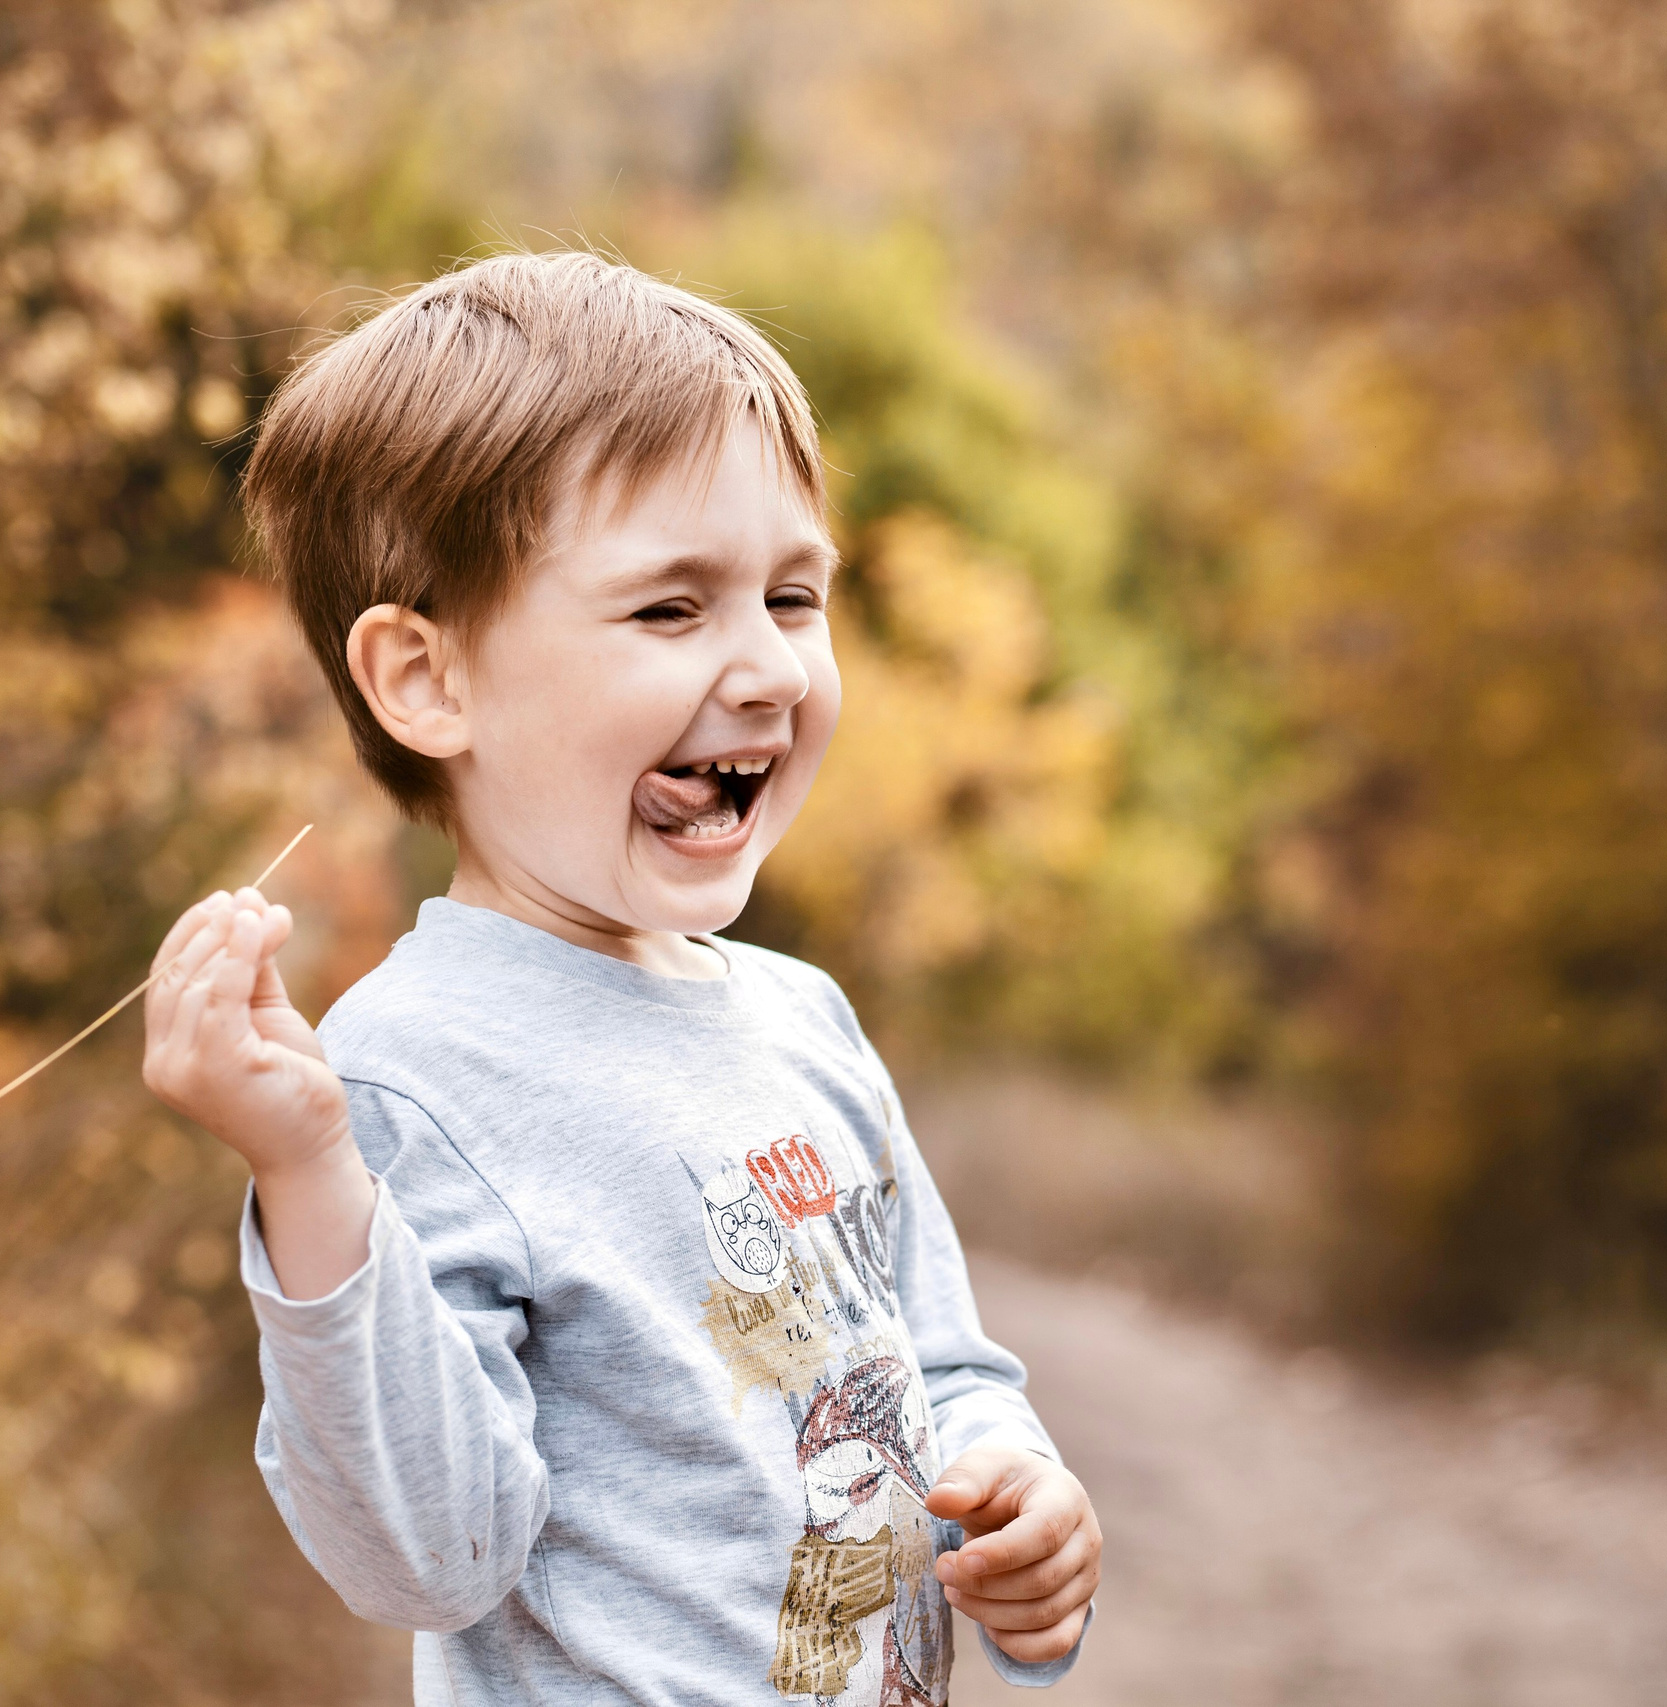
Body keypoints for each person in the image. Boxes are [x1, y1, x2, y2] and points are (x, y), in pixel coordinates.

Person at [138, 250, 1100, 1704]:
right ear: (428, 681)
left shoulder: (801, 1021)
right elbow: (426, 1562)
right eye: (669, 610)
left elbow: (940, 1365)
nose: (769, 669)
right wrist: (309, 1173)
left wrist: (1014, 1484)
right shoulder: (411, 1069)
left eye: (792, 597)